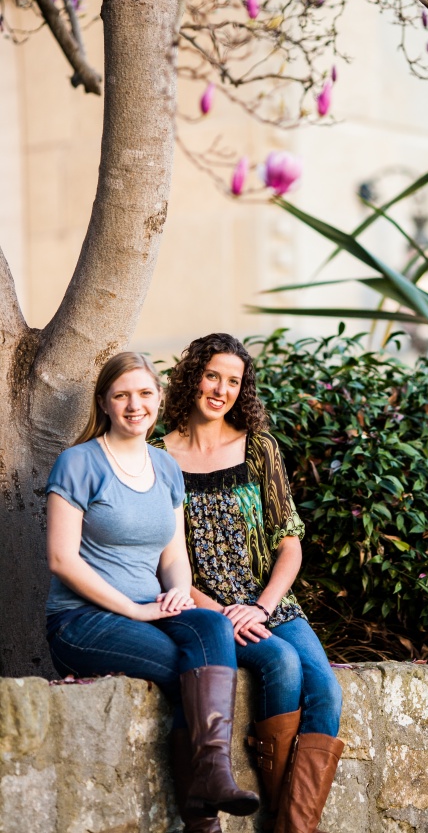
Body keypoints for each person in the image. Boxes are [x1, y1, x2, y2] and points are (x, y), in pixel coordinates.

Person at [45, 351, 259, 833]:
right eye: (121, 395)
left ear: (159, 399)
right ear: (104, 403)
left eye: (144, 393)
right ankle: (205, 815)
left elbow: (173, 555)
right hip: (83, 621)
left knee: (210, 622)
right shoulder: (78, 462)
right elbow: (61, 559)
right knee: (189, 673)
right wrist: (134, 611)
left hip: (151, 609)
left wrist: (179, 592)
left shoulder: (165, 467)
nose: (134, 404)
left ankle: (212, 778)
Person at [154, 333, 344, 833]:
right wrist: (217, 611)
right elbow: (160, 556)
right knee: (280, 664)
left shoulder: (259, 449)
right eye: (212, 375)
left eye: (233, 381)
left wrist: (260, 606)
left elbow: (290, 543)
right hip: (204, 609)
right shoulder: (157, 455)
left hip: (270, 603)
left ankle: (291, 827)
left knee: (327, 692)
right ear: (192, 376)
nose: (221, 390)